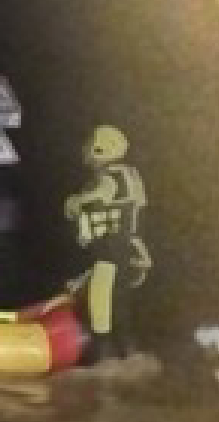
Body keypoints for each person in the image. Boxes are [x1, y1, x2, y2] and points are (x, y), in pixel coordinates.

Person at [64, 124, 151, 360]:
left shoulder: (113, 177)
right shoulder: (129, 176)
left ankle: (103, 348)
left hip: (112, 247)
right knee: (116, 297)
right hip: (121, 247)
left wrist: (77, 201)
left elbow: (104, 193)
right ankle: (121, 347)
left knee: (102, 294)